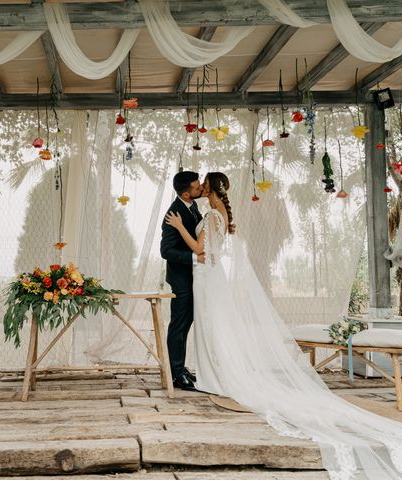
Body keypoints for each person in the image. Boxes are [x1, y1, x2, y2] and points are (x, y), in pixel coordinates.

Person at [164, 171, 402, 480]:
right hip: (206, 278)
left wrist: (182, 227)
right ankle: (209, 371)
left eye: (202, 183)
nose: (199, 187)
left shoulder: (209, 216)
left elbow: (200, 250)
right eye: (196, 184)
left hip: (207, 278)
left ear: (207, 188)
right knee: (213, 327)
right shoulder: (215, 213)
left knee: (212, 328)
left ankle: (215, 375)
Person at [160, 170, 204, 391]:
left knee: (187, 323)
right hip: (180, 278)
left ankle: (180, 367)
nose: (201, 188)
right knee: (179, 324)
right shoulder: (173, 214)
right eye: (197, 188)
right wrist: (196, 258)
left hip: (193, 276)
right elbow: (166, 251)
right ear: (186, 194)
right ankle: (176, 373)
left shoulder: (192, 206)